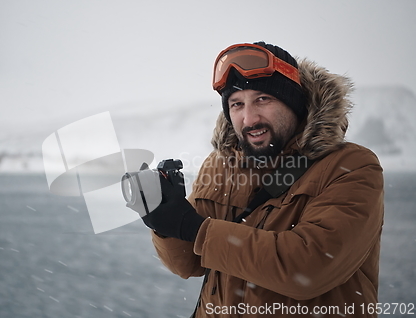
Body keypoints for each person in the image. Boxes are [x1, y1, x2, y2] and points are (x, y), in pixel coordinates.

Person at [133, 42, 384, 317]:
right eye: (236, 104)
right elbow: (188, 264)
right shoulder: (220, 165)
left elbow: (308, 269)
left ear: (294, 103)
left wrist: (194, 228)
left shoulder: (351, 167)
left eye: (263, 99)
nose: (249, 118)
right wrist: (164, 219)